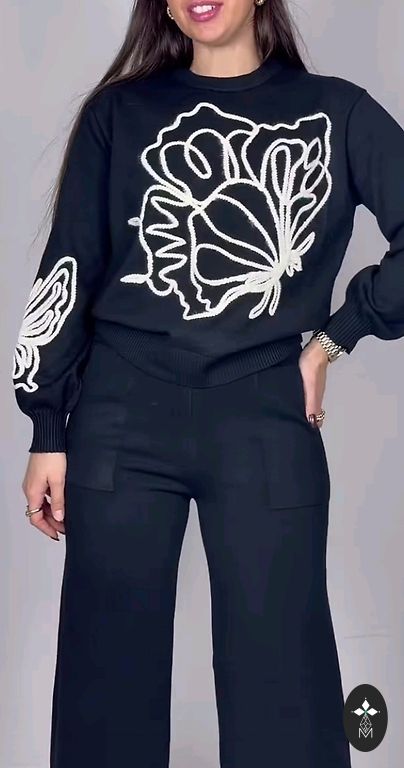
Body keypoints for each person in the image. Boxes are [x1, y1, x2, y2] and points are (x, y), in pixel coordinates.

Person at [11, 0, 404, 766]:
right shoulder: (117, 116)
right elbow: (69, 267)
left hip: (265, 417)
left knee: (286, 698)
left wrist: (334, 339)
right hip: (120, 420)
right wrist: (47, 428)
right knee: (104, 697)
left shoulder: (335, 113)